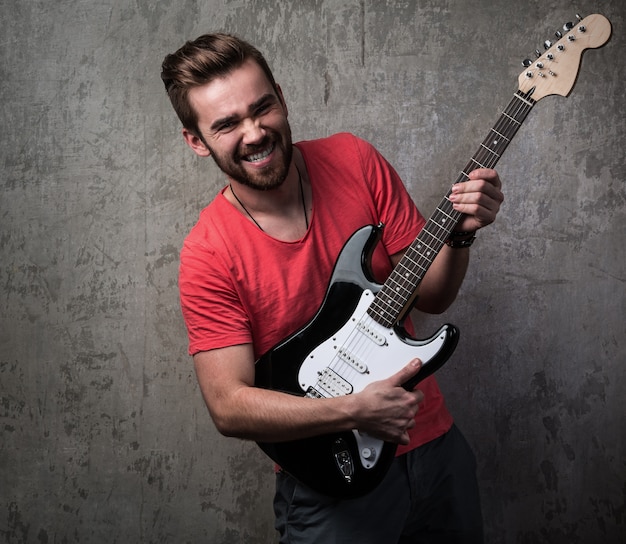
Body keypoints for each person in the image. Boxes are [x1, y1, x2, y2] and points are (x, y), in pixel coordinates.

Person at [161, 33, 503, 543]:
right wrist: (351, 410)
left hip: (435, 446)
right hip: (331, 481)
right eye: (227, 124)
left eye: (262, 108)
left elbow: (430, 295)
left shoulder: (354, 160)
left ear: (281, 95)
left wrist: (458, 236)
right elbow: (229, 405)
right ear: (196, 140)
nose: (255, 133)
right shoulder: (208, 253)